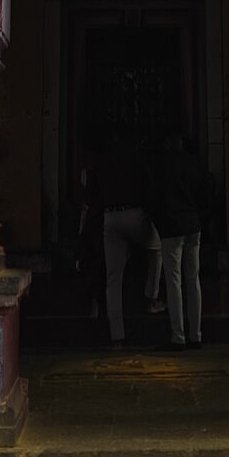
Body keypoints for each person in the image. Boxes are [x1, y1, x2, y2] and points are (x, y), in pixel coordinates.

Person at [146, 128, 209, 348]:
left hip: (172, 226)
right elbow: (205, 191)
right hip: (193, 224)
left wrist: (160, 222)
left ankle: (178, 335)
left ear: (167, 143)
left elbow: (154, 196)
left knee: (174, 280)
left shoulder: (162, 166)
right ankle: (196, 334)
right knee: (193, 279)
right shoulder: (193, 164)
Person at [92, 127, 152, 345]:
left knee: (113, 278)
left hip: (111, 216)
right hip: (135, 214)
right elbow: (148, 186)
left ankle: (117, 334)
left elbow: (93, 192)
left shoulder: (102, 162)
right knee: (157, 249)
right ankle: (153, 294)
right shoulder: (136, 159)